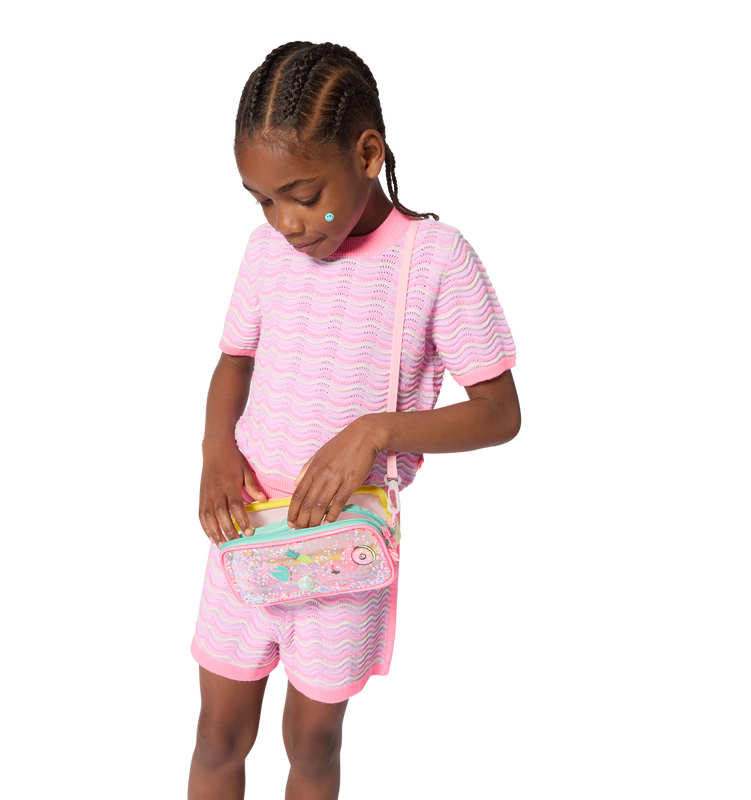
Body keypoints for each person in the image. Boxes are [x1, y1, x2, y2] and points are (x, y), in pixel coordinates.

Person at [187, 36, 522, 800]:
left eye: (303, 194)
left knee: (310, 743)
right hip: (245, 530)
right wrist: (214, 454)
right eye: (263, 201)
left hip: (343, 550)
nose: (286, 222)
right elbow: (233, 360)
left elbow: (500, 412)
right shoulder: (264, 250)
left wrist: (376, 430)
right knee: (218, 734)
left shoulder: (437, 257)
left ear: (368, 153)